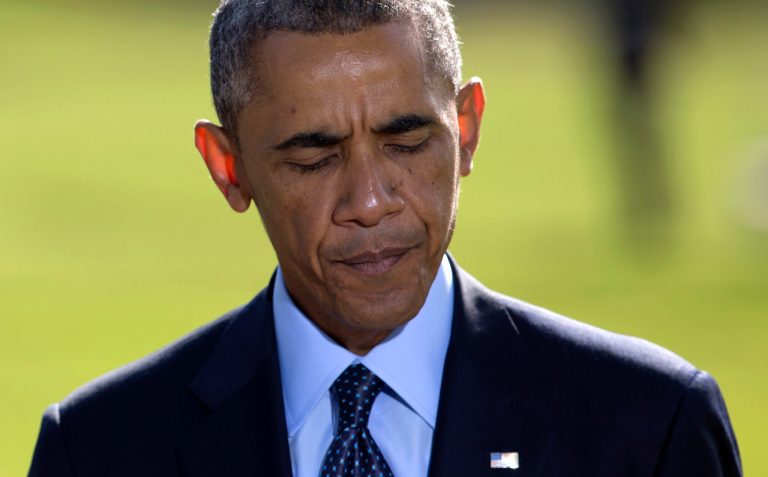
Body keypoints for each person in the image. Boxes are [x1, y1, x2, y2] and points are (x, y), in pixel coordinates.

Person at [28, 1, 741, 476]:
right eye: (313, 158)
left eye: (406, 143)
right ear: (228, 167)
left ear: (466, 130)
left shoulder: (652, 428)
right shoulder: (96, 449)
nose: (370, 202)